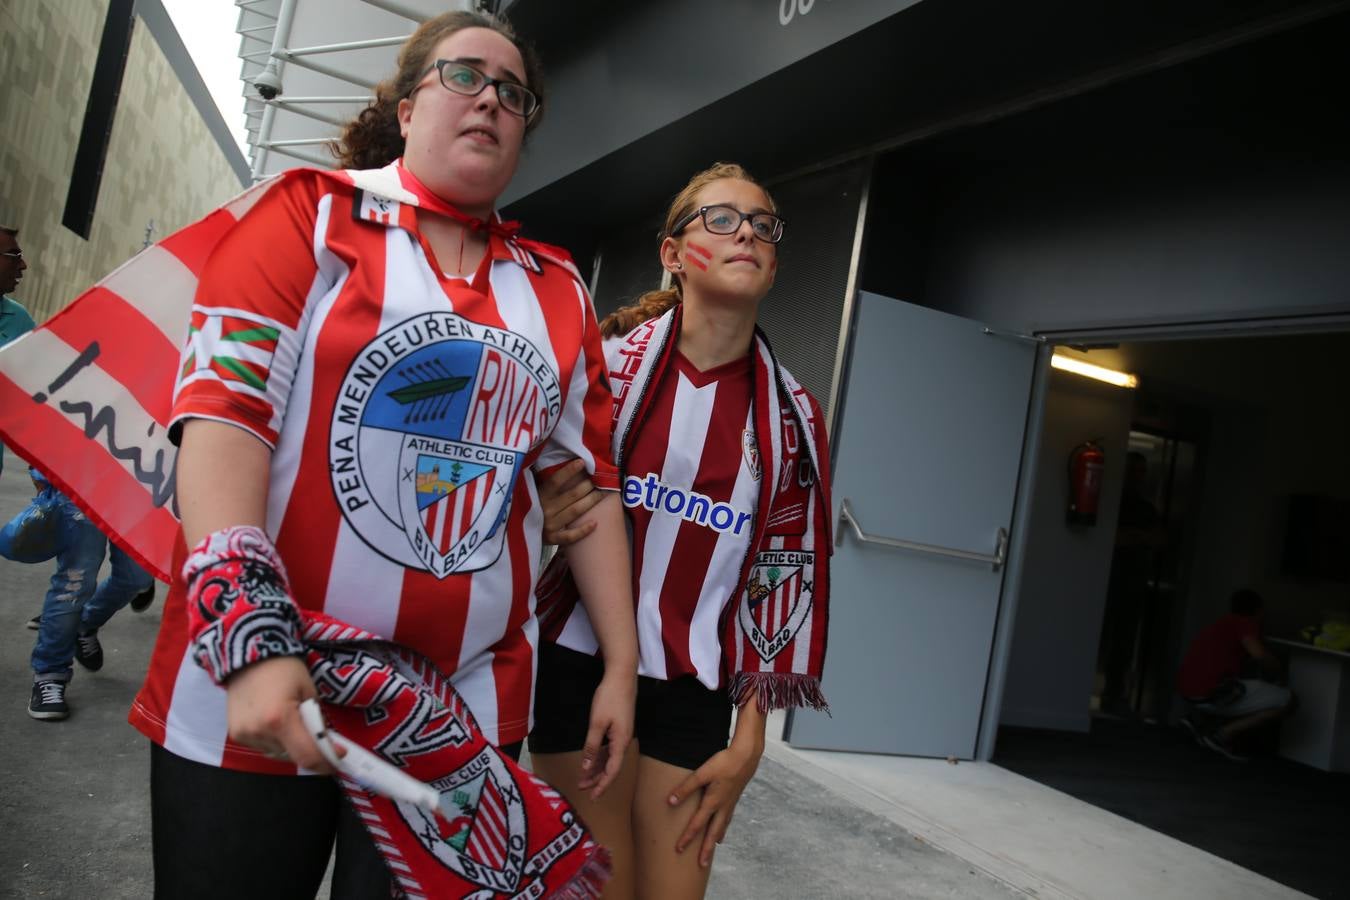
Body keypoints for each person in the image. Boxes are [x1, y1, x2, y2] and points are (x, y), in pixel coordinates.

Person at [126, 12, 636, 898]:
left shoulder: (558, 291)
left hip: (457, 716)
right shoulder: (303, 215)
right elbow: (222, 417)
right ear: (407, 108)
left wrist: (620, 669)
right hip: (256, 684)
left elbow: (582, 496)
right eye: (464, 77)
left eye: (514, 94)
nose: (491, 102)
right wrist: (250, 636)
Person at [529, 162, 833, 899]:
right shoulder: (602, 372)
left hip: (695, 688)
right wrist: (542, 503)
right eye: (722, 220)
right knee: (605, 886)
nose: (748, 236)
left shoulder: (794, 415)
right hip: (580, 664)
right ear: (672, 253)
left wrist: (750, 739)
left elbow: (781, 575)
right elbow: (527, 493)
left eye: (763, 226)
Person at [17, 469, 155, 719]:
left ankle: (86, 624)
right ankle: (49, 675)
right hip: (78, 483)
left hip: (135, 486)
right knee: (74, 583)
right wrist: (41, 473)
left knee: (138, 577)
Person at [1177, 588, 1294, 761]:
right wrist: (1278, 669)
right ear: (1258, 610)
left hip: (1187, 690)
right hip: (1211, 692)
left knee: (1241, 686)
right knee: (1289, 701)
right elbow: (1259, 654)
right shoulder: (1244, 624)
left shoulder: (1220, 624)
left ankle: (1201, 721)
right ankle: (1221, 735)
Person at [0, 224, 36, 478]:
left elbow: (42, 397)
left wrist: (41, 472)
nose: (23, 265)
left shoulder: (19, 320)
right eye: (14, 256)